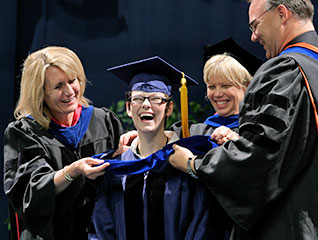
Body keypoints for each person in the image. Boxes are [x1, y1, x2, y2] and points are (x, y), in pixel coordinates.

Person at [169, 0, 318, 239]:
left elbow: (259, 156)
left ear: (281, 13)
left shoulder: (285, 71)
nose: (254, 36)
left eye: (255, 25)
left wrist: (194, 164)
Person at [92, 56, 232, 240]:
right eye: (138, 99)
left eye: (156, 99)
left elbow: (201, 226)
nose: (146, 104)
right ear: (128, 107)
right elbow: (102, 227)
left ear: (169, 108)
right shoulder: (117, 169)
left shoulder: (184, 162)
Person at [3, 46, 123, 240]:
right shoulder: (25, 133)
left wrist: (130, 151)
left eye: (72, 81)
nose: (69, 91)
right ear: (40, 93)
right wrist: (72, 170)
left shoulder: (102, 121)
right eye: (58, 86)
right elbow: (29, 195)